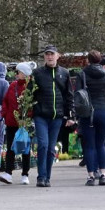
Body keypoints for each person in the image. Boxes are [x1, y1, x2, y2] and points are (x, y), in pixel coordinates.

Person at [31, 45, 73, 188]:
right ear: (44, 56)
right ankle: (41, 176)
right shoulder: (37, 73)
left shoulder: (64, 73)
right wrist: (29, 111)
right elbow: (30, 93)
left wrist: (70, 115)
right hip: (41, 115)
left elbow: (69, 95)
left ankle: (47, 177)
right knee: (42, 145)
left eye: (52, 54)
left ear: (57, 56)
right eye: (47, 54)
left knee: (50, 148)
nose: (49, 57)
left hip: (57, 116)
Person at [77, 50, 105, 186]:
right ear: (100, 60)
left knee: (89, 146)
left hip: (87, 113)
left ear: (88, 60)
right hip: (102, 111)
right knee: (101, 144)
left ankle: (91, 176)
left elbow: (78, 95)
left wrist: (76, 115)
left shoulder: (82, 74)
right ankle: (103, 174)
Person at [0, 62, 33, 185]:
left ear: (25, 73)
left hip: (24, 123)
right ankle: (8, 173)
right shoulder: (13, 85)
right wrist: (4, 114)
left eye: (18, 72)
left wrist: (28, 116)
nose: (16, 74)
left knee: (25, 148)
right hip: (11, 122)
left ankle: (25, 174)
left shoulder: (31, 87)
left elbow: (33, 104)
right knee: (10, 148)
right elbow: (6, 101)